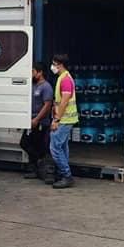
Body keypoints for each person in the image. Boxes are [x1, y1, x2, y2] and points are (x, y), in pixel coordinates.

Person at [48, 54, 79, 189]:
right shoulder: (62, 77)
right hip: (66, 118)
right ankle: (63, 174)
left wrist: (56, 120)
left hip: (64, 119)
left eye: (53, 64)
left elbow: (65, 101)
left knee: (54, 147)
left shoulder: (65, 79)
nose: (52, 66)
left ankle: (66, 175)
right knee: (62, 147)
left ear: (59, 64)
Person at [20, 62, 53, 179]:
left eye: (33, 72)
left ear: (40, 72)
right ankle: (35, 167)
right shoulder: (33, 85)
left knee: (36, 145)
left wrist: (37, 119)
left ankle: (40, 165)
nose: (31, 74)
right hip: (30, 121)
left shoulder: (46, 87)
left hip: (39, 123)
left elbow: (47, 105)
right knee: (25, 143)